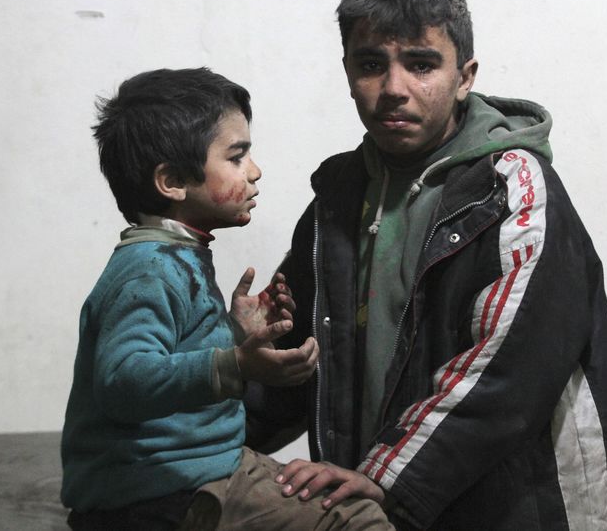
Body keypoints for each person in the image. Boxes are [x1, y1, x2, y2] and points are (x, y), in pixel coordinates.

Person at [244, 0, 607, 530]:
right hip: (374, 508)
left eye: (421, 64)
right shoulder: (336, 200)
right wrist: (205, 416)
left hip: (512, 510)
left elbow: (508, 368)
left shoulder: (512, 185)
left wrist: (388, 477)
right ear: (346, 72)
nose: (394, 89)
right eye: (371, 65)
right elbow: (299, 360)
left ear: (464, 76)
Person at [60, 67, 394, 530]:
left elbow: (171, 353)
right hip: (157, 489)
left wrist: (233, 331)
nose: (255, 171)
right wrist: (234, 364)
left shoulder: (176, 253)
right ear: (172, 181)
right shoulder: (150, 269)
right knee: (356, 519)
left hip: (196, 468)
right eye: (237, 157)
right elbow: (123, 380)